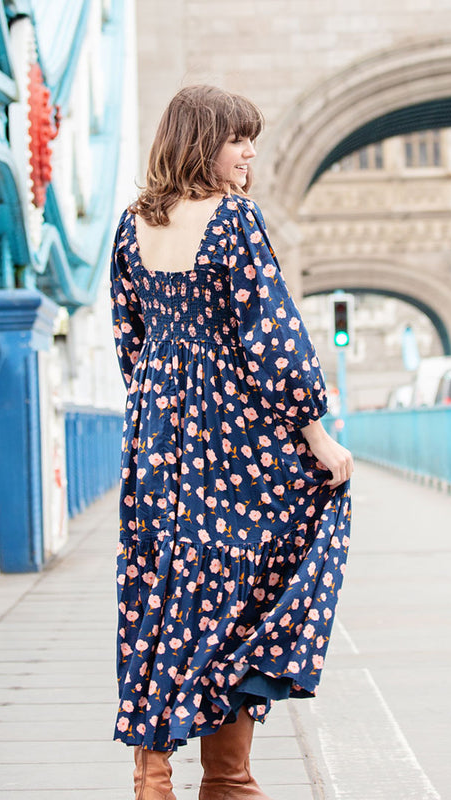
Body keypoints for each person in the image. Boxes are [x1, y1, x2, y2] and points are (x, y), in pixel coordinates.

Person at [109, 85, 353, 800]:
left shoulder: (130, 227)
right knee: (248, 589)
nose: (249, 152)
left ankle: (154, 781)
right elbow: (271, 337)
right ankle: (229, 782)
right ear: (200, 142)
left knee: (161, 592)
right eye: (237, 139)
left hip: (157, 433)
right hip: (234, 430)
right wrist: (316, 434)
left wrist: (162, 405)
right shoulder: (234, 221)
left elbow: (130, 341)